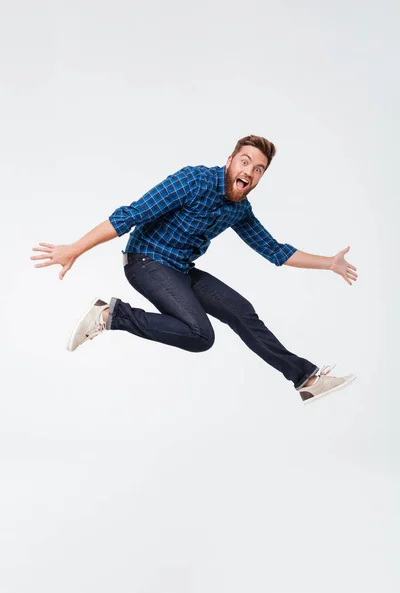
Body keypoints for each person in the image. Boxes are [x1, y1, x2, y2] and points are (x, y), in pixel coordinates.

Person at [31, 134, 358, 404]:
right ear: (230, 161)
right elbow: (131, 214)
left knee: (242, 312)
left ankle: (307, 378)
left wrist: (329, 263)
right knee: (201, 335)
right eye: (245, 162)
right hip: (146, 261)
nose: (250, 172)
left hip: (181, 269)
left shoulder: (240, 210)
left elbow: (274, 250)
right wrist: (75, 248)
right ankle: (110, 316)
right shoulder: (194, 180)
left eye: (259, 169)